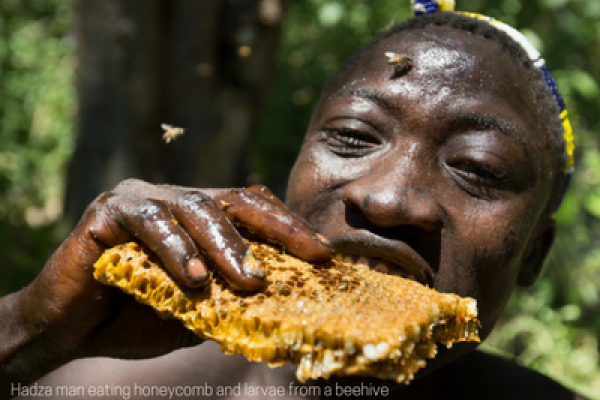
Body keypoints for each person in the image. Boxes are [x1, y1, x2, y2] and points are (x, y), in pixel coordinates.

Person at [0, 1, 588, 399]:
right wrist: (30, 332)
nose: (385, 198)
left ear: (534, 254)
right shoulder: (113, 384)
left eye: (475, 168)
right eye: (355, 137)